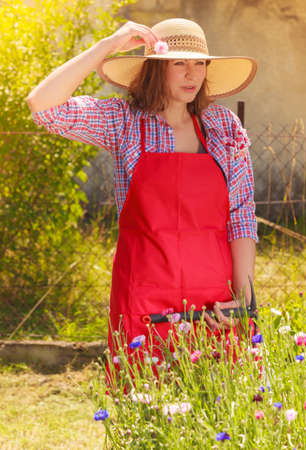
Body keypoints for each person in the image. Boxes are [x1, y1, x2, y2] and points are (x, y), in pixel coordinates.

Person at [26, 18, 258, 371]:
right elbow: (43, 106)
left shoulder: (223, 127)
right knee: (148, 409)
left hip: (216, 301)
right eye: (178, 63)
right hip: (145, 296)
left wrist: (243, 300)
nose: (191, 74)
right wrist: (108, 45)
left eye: (199, 63)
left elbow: (241, 216)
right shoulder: (123, 121)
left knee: (220, 411)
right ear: (154, 70)